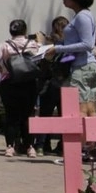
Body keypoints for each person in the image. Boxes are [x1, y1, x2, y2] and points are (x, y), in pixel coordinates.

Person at [46, 0, 96, 118]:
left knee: (81, 107)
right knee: (90, 107)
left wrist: (58, 49)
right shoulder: (84, 15)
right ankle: (91, 139)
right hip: (86, 66)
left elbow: (87, 44)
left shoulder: (82, 16)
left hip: (82, 66)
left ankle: (82, 139)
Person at [0, 19, 41, 158]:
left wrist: (2, 70)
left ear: (10, 31)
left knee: (11, 116)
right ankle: (30, 147)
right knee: (28, 115)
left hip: (10, 83)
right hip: (29, 83)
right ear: (25, 30)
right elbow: (40, 59)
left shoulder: (5, 45)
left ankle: (10, 147)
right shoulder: (33, 44)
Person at [34, 16, 69, 155]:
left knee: (45, 116)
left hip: (49, 84)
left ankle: (41, 145)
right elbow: (71, 59)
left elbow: (42, 61)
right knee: (64, 116)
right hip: (65, 83)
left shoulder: (50, 41)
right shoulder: (70, 43)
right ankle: (63, 146)